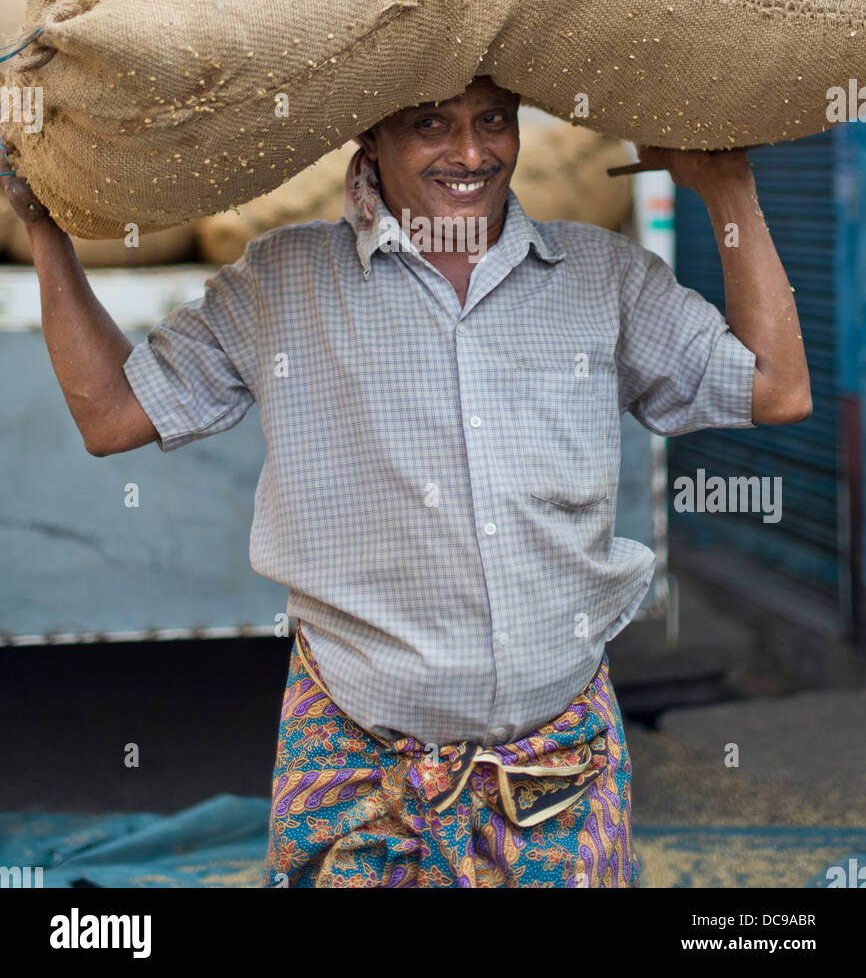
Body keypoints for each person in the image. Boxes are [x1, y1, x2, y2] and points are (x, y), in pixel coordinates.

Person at [2, 74, 811, 888]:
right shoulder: (285, 283)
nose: (471, 152)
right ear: (369, 140)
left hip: (562, 773)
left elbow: (778, 389)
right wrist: (43, 233)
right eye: (432, 124)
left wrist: (726, 185)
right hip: (359, 781)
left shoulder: (602, 276)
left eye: (493, 120)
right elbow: (111, 416)